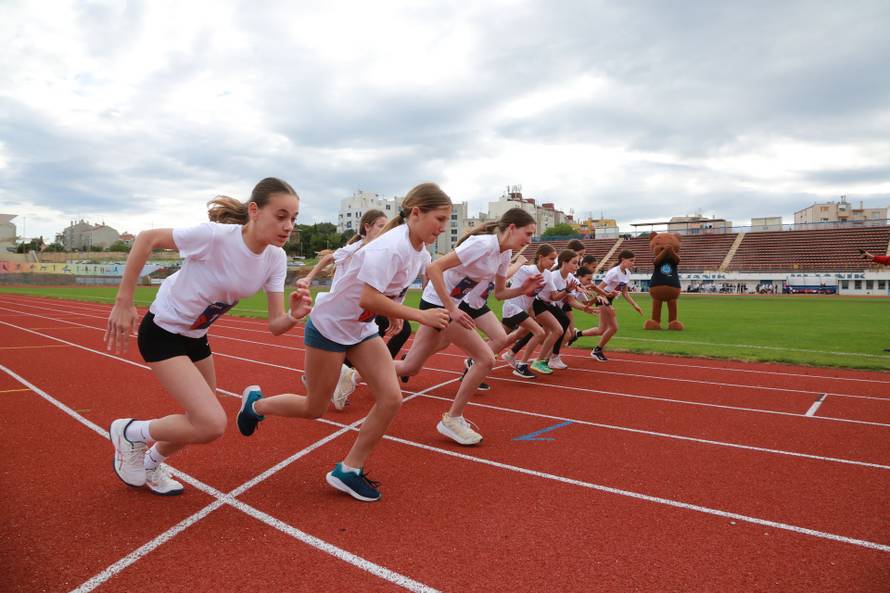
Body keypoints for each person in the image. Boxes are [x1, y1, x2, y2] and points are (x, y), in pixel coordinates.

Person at [236, 183, 452, 502]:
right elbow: (368, 297)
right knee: (314, 407)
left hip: (361, 329)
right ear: (416, 213)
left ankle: (349, 470)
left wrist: (394, 313)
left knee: (391, 398)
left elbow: (389, 290)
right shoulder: (389, 247)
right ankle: (255, 405)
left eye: (447, 220)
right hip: (330, 327)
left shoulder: (419, 252)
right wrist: (419, 315)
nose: (443, 227)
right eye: (440, 219)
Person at [105, 178, 312, 496]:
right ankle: (129, 432)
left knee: (199, 419)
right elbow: (147, 238)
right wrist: (124, 301)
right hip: (163, 331)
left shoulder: (275, 258)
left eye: (294, 219)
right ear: (254, 211)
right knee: (211, 423)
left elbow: (275, 324)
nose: (288, 226)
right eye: (281, 216)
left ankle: (150, 462)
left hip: (196, 336)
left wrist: (294, 315)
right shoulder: (215, 237)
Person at [386, 208, 543, 445]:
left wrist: (523, 289)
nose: (530, 241)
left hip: (450, 305)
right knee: (485, 359)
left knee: (411, 366)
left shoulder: (504, 253)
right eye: (528, 233)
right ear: (511, 228)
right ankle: (452, 419)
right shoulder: (482, 244)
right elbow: (433, 268)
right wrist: (451, 308)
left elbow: (500, 293)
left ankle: (353, 374)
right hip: (438, 303)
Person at [299, 210, 412, 410]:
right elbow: (328, 259)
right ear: (367, 227)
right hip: (341, 309)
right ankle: (335, 376)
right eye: (380, 225)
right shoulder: (356, 248)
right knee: (315, 406)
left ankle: (346, 376)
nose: (385, 229)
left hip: (362, 310)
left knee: (394, 332)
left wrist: (394, 312)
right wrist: (308, 278)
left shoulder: (384, 249)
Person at [569, 249, 642, 361]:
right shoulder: (614, 272)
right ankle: (597, 350)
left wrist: (635, 305)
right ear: (623, 260)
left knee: (601, 329)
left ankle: (577, 334)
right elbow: (600, 288)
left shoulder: (627, 273)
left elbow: (625, 293)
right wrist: (607, 303)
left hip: (609, 299)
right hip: (603, 298)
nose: (633, 263)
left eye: (634, 261)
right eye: (631, 260)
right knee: (614, 327)